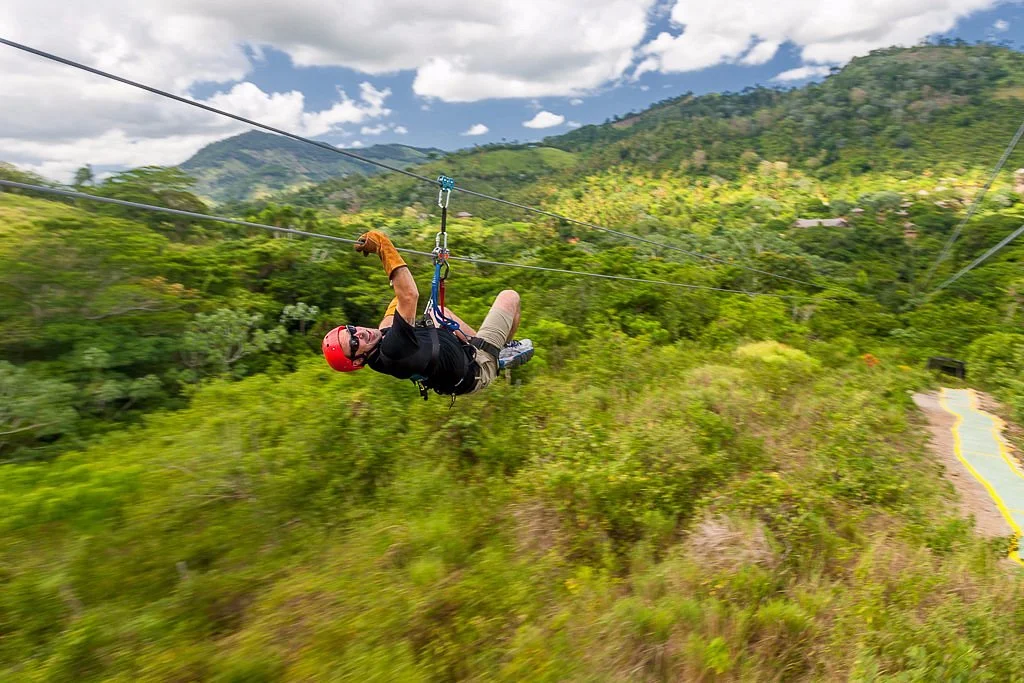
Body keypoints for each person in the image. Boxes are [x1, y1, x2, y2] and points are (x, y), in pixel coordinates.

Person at [322, 230, 533, 398]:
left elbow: (396, 308)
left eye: (351, 330)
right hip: (477, 369)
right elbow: (409, 295)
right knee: (510, 297)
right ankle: (498, 353)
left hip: (460, 356)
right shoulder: (392, 350)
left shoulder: (379, 345)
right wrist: (382, 246)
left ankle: (490, 347)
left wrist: (392, 267)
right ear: (358, 361)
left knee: (437, 312)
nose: (358, 334)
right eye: (354, 343)